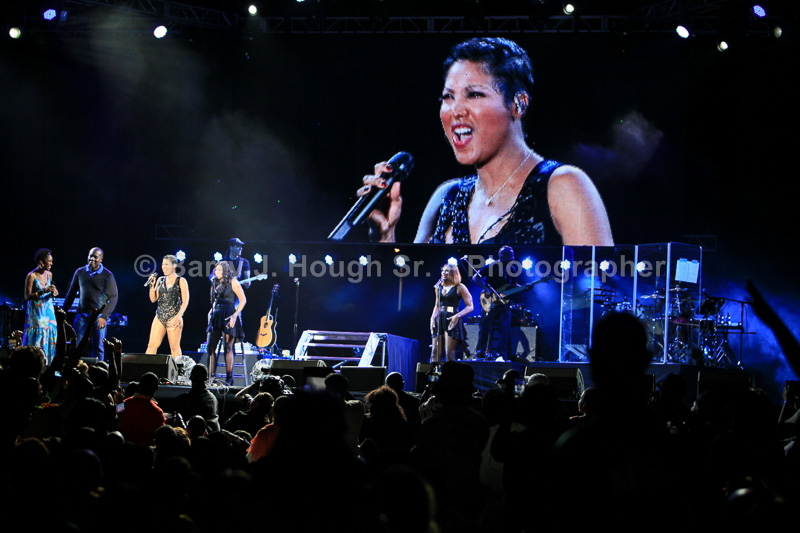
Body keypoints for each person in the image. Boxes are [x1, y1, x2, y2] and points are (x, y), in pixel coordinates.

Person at [360, 37, 613, 246]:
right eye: (448, 97)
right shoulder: (446, 198)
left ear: (518, 103)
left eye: (474, 94)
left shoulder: (564, 186)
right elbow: (409, 290)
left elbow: (600, 290)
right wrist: (384, 237)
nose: (456, 111)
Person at [62, 247, 118, 361]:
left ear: (101, 259)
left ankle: (98, 369)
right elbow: (71, 293)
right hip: (82, 315)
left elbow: (114, 297)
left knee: (98, 346)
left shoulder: (107, 275)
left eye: (95, 257)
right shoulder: (80, 272)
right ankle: (74, 367)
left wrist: (104, 316)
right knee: (77, 344)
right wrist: (64, 311)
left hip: (98, 316)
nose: (92, 259)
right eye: (90, 256)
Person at [471, 246, 518, 361]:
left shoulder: (512, 269)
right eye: (508, 255)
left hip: (503, 303)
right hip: (490, 302)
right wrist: (485, 288)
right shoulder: (491, 266)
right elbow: (475, 277)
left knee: (504, 328)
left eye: (511, 255)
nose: (511, 258)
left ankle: (500, 355)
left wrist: (525, 287)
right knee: (484, 327)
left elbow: (513, 285)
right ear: (501, 256)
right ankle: (480, 354)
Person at [206, 261, 246, 385]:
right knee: (211, 347)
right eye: (215, 270)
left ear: (225, 271)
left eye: (219, 270)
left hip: (229, 314)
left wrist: (235, 315)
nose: (216, 272)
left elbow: (243, 300)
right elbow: (215, 300)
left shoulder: (233, 282)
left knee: (228, 347)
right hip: (217, 315)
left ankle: (229, 377)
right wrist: (211, 312)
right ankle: (211, 376)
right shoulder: (215, 283)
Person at [145, 255, 189, 360]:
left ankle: (178, 368)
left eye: (166, 264)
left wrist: (179, 315)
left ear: (173, 266)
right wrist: (152, 285)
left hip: (174, 316)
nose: (163, 267)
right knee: (152, 345)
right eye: (162, 264)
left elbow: (185, 300)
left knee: (174, 347)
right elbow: (153, 299)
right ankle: (146, 366)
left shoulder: (181, 280)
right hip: (160, 315)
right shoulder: (160, 280)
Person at [430, 263, 474, 362]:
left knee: (449, 353)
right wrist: (432, 318)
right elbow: (437, 306)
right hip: (439, 319)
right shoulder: (438, 287)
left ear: (453, 273)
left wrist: (457, 316)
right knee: (434, 353)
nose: (443, 272)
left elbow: (470, 306)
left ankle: (449, 371)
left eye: (446, 271)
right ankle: (434, 371)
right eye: (443, 270)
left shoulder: (460, 287)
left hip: (451, 319)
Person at [22, 249, 59, 365]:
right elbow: (27, 296)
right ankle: (36, 364)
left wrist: (54, 292)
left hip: (48, 310)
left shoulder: (49, 275)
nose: (51, 263)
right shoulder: (31, 276)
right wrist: (43, 291)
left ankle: (49, 364)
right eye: (49, 261)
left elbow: (50, 288)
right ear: (41, 262)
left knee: (51, 333)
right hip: (37, 312)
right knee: (39, 335)